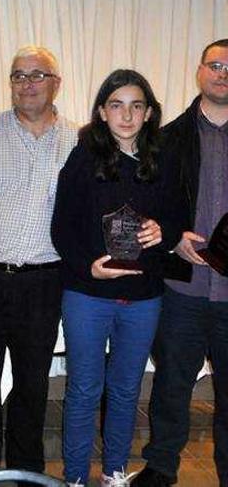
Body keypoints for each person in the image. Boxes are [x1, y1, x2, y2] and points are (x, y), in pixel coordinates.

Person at [0, 45, 78, 480]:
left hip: (45, 284)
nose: (26, 83)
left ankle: (25, 471)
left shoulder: (77, 141)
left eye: (37, 75)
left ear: (56, 84)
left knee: (32, 386)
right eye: (18, 76)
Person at [52, 69, 182, 486]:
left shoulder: (163, 160)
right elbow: (62, 227)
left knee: (126, 390)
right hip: (87, 294)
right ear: (102, 112)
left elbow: (179, 220)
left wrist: (166, 232)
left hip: (143, 297)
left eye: (136, 105)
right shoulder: (81, 157)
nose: (126, 115)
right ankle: (74, 478)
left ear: (148, 113)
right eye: (117, 105)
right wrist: (85, 265)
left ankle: (114, 474)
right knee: (85, 391)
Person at [132, 39, 228, 487]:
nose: (222, 72)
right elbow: (147, 208)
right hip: (184, 289)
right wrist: (172, 240)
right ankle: (161, 466)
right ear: (199, 71)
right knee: (171, 386)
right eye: (215, 64)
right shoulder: (168, 139)